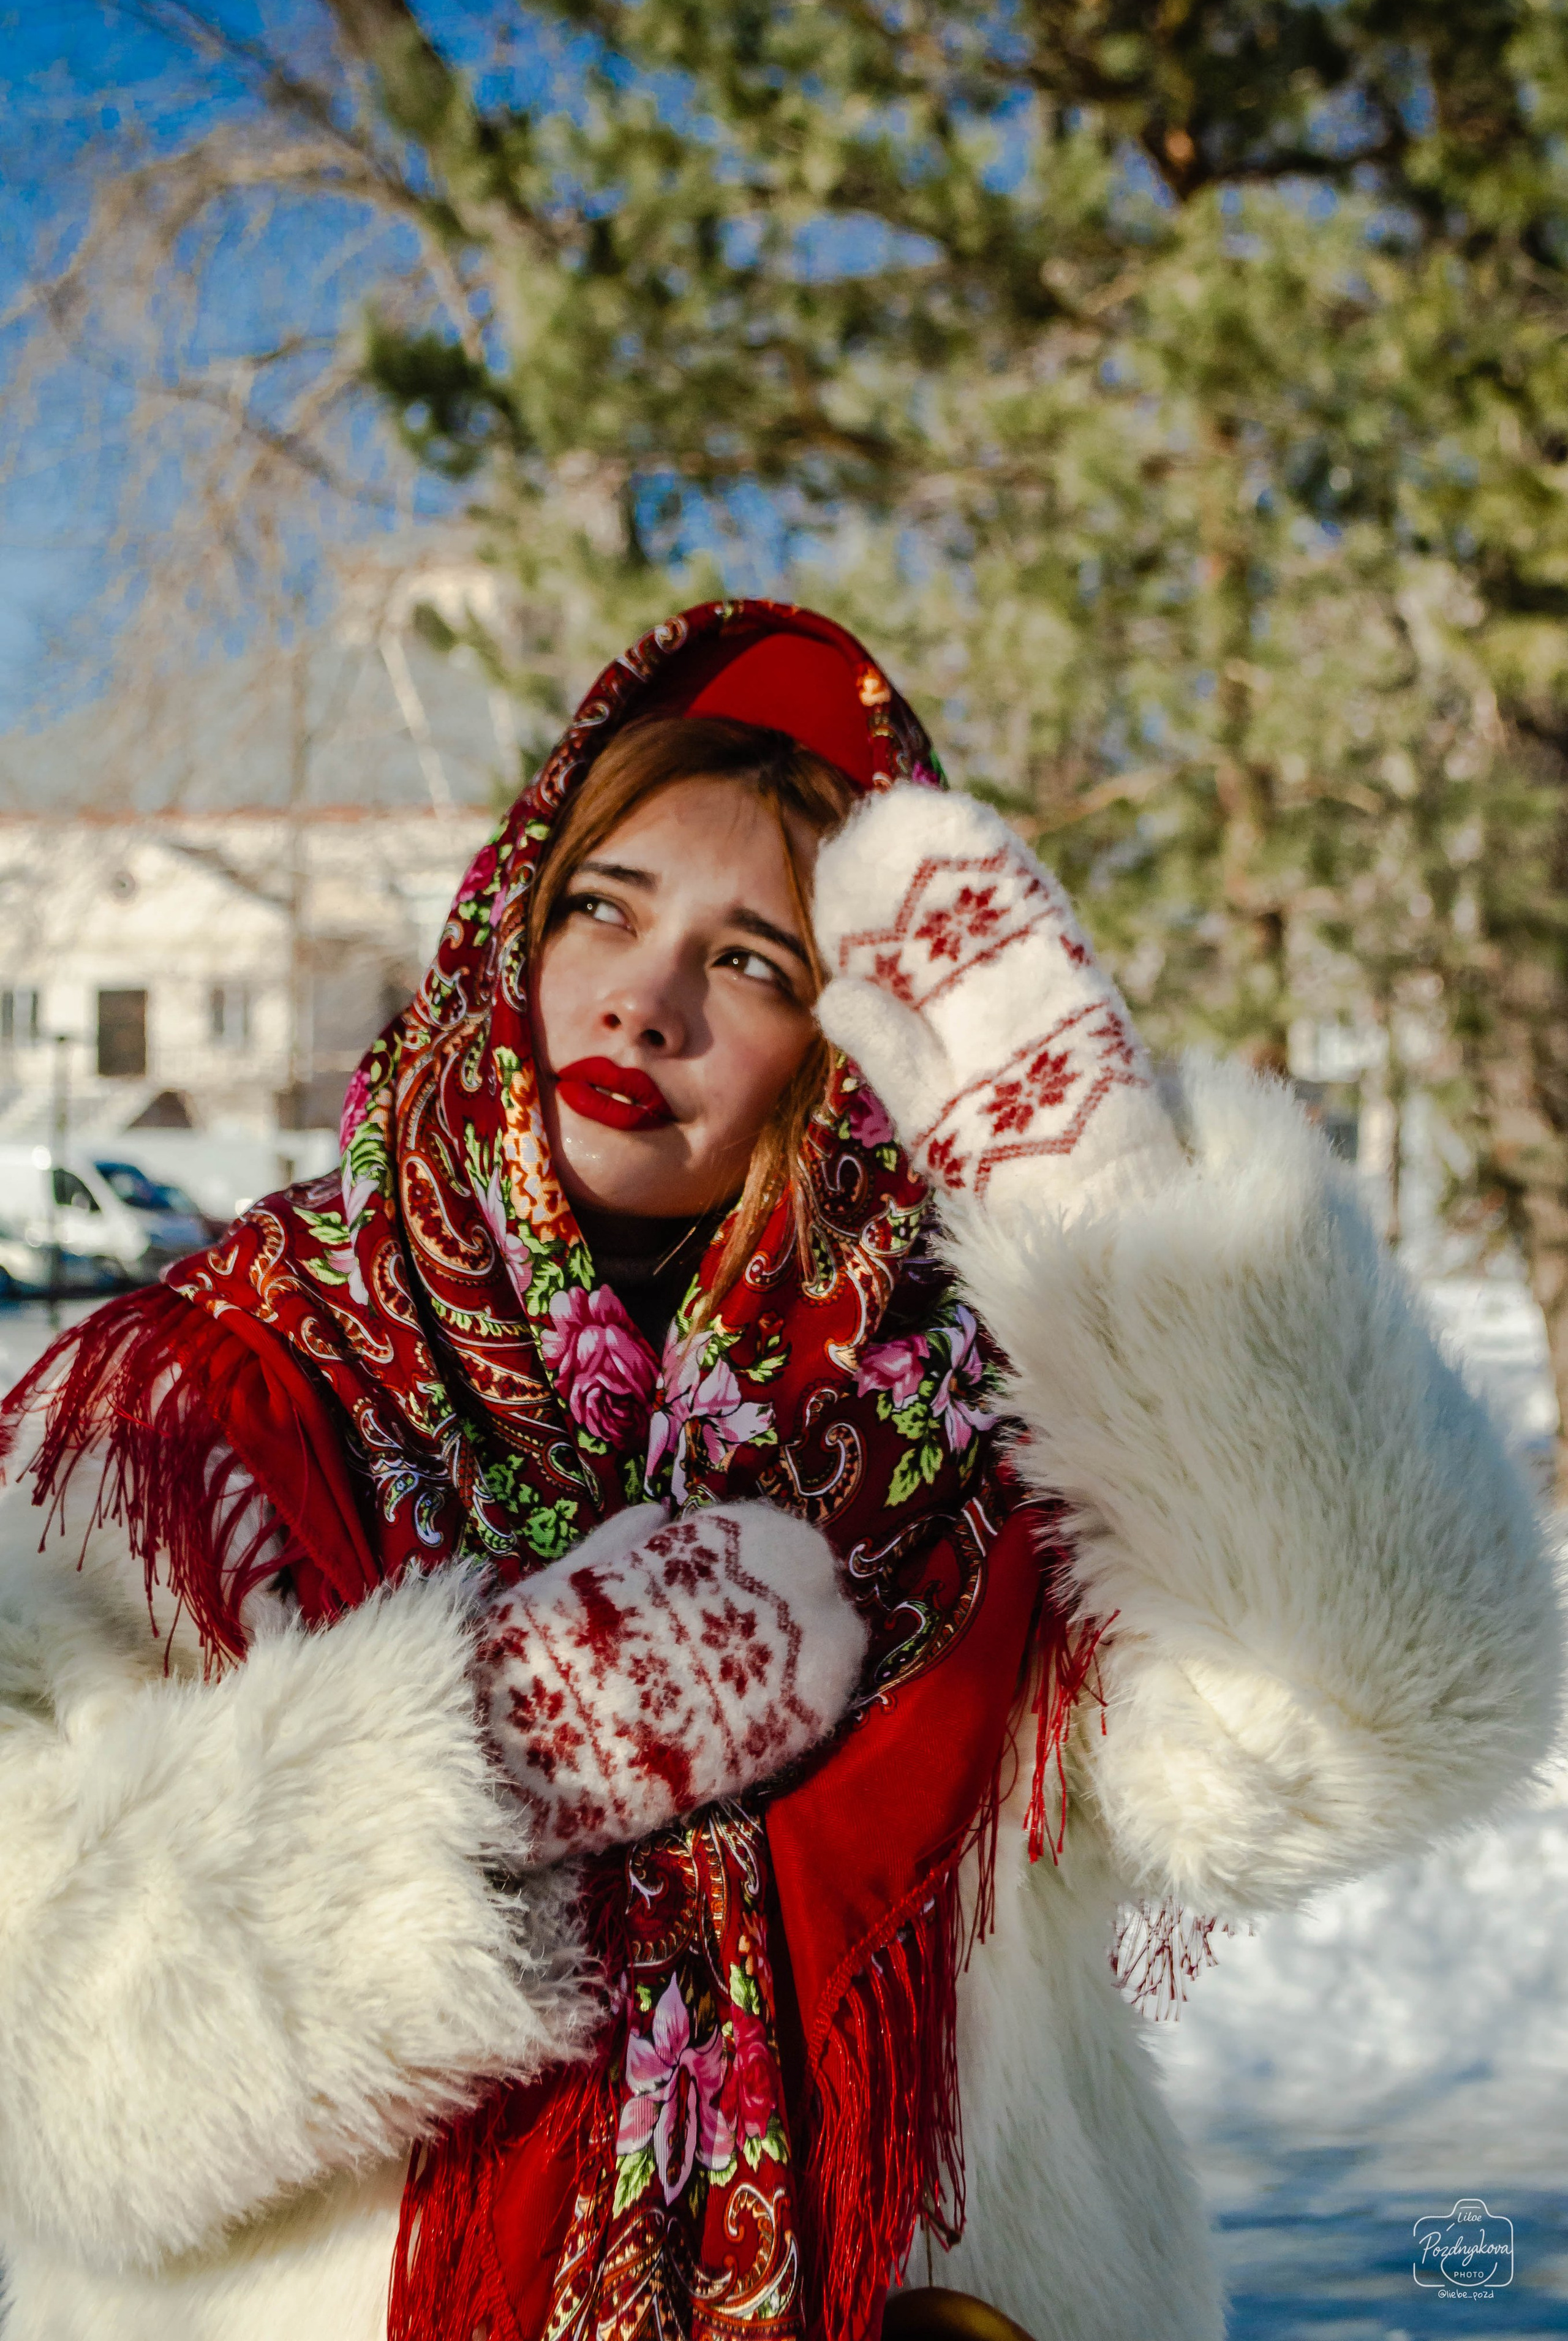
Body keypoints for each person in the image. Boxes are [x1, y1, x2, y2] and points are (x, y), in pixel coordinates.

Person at [0, 601, 1557, 2341]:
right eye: (603, 907)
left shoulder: (984, 1455)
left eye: (750, 961)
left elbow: (1380, 1721)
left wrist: (1140, 1258)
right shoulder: (200, 1410)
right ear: (511, 923)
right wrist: (501, 1755)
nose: (646, 998)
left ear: (840, 1058)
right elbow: (34, 2038)